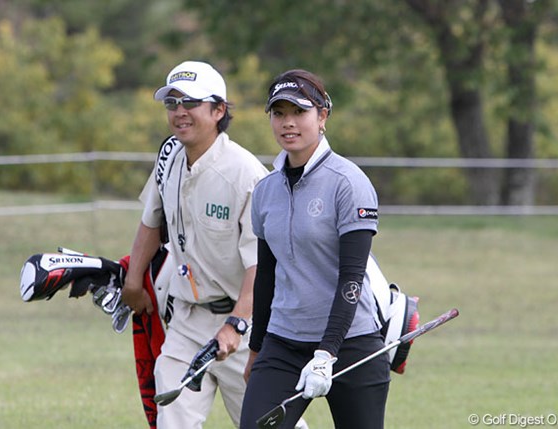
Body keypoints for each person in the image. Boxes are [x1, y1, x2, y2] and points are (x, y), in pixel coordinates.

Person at [240, 69, 390, 429]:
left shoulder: (348, 183)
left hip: (351, 342)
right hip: (284, 342)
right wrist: (256, 349)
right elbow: (267, 278)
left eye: (299, 112)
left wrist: (327, 352)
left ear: (322, 117)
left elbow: (351, 278)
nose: (288, 123)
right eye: (279, 113)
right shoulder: (266, 190)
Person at [122, 60, 268, 429]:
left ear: (219, 110)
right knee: (173, 421)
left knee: (267, 423)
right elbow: (151, 220)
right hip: (186, 319)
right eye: (172, 103)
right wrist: (133, 280)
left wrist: (236, 325)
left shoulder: (246, 174)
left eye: (190, 102)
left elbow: (262, 265)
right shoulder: (169, 156)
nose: (179, 112)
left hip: (242, 326)